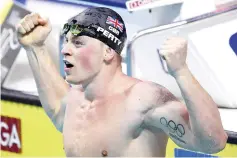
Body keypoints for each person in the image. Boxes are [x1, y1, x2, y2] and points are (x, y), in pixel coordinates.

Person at [16, 7, 227, 157]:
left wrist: (181, 71)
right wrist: (36, 47)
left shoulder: (142, 100)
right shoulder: (76, 100)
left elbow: (213, 142)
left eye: (78, 43)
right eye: (68, 41)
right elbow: (56, 109)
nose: (65, 49)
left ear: (108, 52)